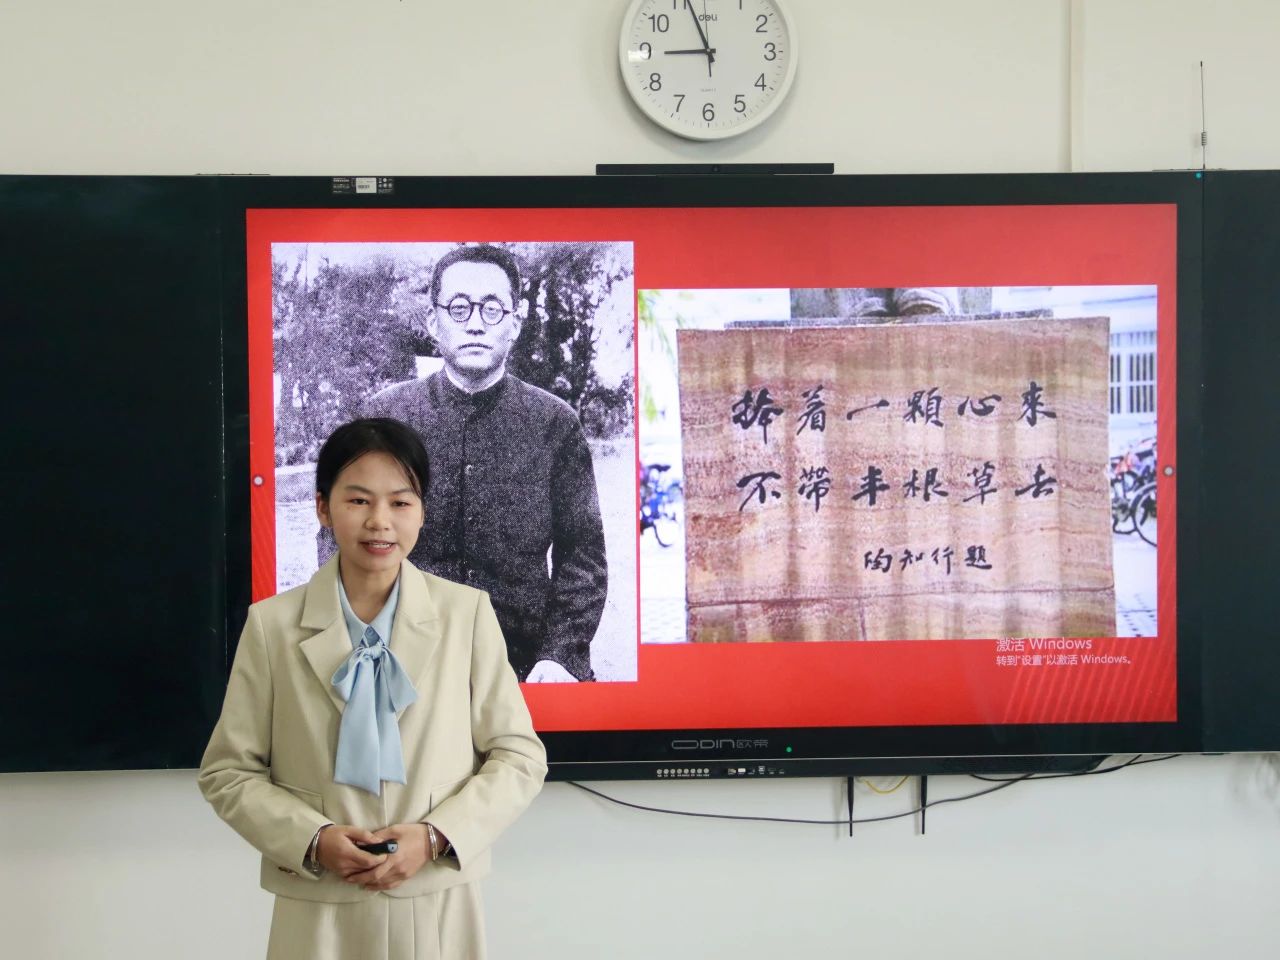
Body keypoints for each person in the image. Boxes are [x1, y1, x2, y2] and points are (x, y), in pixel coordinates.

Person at [201, 418, 547, 960]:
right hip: (318, 902)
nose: (379, 521)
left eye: (400, 502)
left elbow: (519, 756)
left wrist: (434, 836)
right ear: (323, 507)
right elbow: (228, 771)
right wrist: (313, 839)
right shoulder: (272, 625)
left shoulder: (466, 615)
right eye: (358, 500)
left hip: (435, 897)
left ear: (422, 511)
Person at [323, 244, 608, 683]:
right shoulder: (384, 418)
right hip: (404, 664)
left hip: (524, 666)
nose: (475, 323)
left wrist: (558, 656)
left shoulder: (555, 424)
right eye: (459, 308)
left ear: (515, 323)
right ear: (432, 321)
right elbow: (339, 538)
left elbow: (583, 557)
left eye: (492, 309)